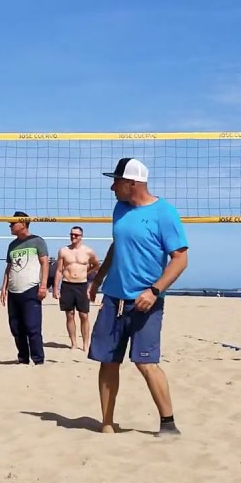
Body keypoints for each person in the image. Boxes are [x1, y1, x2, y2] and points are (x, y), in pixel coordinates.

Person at [87, 158, 188, 436]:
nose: (111, 187)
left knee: (146, 362)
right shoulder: (120, 209)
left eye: (116, 181)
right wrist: (98, 279)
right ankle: (106, 424)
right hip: (113, 298)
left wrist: (155, 291)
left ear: (132, 183)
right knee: (108, 360)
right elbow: (117, 246)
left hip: (146, 301)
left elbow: (180, 259)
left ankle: (168, 424)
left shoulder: (165, 213)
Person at [1, 211, 49, 364]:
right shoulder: (12, 245)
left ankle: (38, 360)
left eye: (13, 223)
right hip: (13, 291)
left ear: (23, 223)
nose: (10, 226)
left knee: (32, 327)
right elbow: (9, 268)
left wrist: (43, 286)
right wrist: (3, 288)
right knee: (16, 327)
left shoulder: (37, 241)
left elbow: (45, 264)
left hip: (31, 289)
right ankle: (23, 359)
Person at [53, 225, 100, 351]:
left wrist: (87, 272)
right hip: (67, 284)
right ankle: (73, 343)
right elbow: (59, 270)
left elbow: (97, 265)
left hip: (82, 285)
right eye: (72, 234)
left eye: (76, 235)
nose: (73, 236)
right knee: (69, 314)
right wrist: (55, 288)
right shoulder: (63, 251)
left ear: (81, 236)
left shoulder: (88, 251)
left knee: (84, 315)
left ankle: (85, 344)